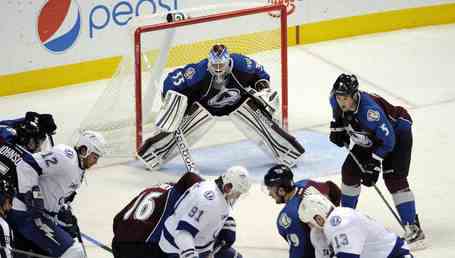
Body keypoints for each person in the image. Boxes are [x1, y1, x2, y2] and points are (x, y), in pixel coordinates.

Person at [137, 44, 304, 170]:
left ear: (228, 62)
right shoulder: (198, 72)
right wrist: (170, 99)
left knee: (263, 121)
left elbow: (259, 73)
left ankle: (287, 153)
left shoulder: (241, 64)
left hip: (239, 103)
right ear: (209, 62)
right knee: (179, 128)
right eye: (214, 66)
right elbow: (172, 80)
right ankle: (153, 154)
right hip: (206, 108)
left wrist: (263, 88)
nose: (218, 70)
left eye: (221, 66)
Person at [328, 73, 425, 249]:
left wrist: (374, 163)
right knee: (350, 171)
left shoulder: (370, 112)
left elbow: (389, 141)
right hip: (371, 136)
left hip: (397, 133)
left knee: (393, 178)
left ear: (354, 95)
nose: (341, 101)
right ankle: (347, 221)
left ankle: (413, 228)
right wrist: (338, 128)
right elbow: (338, 115)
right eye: (339, 96)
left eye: (345, 97)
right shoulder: (335, 100)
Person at [5, 130, 106, 258]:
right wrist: (33, 196)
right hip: (26, 214)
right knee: (74, 253)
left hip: (44, 216)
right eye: (95, 156)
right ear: (84, 150)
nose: (96, 162)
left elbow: (57, 193)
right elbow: (27, 164)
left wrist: (63, 210)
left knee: (73, 245)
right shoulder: (66, 156)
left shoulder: (79, 169)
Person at [112, 166, 251, 258]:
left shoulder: (199, 191)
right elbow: (183, 233)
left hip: (123, 240)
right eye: (237, 193)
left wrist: (227, 220)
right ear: (228, 187)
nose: (237, 197)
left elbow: (117, 221)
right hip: (152, 246)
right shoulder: (204, 198)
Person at [298, 188, 414, 258]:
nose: (311, 227)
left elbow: (347, 257)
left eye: (310, 223)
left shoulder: (337, 224)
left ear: (318, 219)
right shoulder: (339, 217)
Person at [263, 164, 341, 258]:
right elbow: (332, 188)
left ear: (281, 191)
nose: (269, 193)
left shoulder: (288, 216)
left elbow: (301, 252)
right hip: (342, 239)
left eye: (270, 189)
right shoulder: (306, 183)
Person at [0, 180, 15, 258]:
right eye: (10, 203)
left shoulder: (5, 223)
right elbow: (6, 251)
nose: (11, 206)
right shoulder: (3, 224)